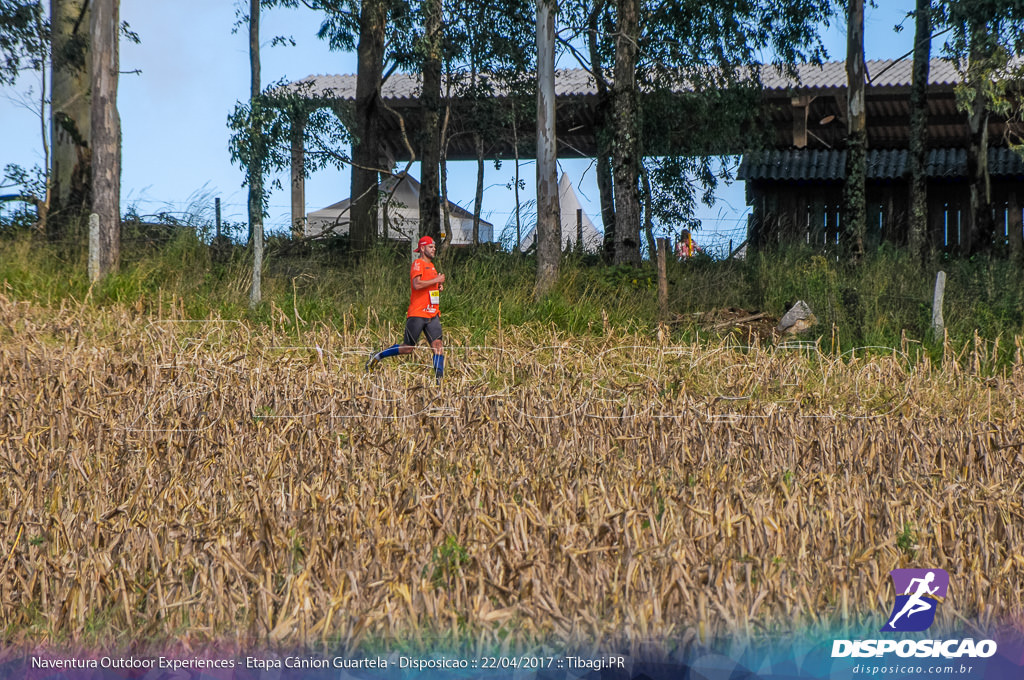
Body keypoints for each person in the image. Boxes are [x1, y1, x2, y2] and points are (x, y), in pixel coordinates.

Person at [366, 235, 446, 383]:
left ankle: (439, 381)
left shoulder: (432, 266)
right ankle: (378, 356)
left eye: (434, 246)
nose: (434, 249)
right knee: (408, 348)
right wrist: (436, 280)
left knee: (438, 346)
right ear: (422, 248)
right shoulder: (418, 263)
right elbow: (417, 284)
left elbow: (427, 286)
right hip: (417, 314)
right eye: (430, 246)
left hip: (432, 313)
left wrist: (437, 287)